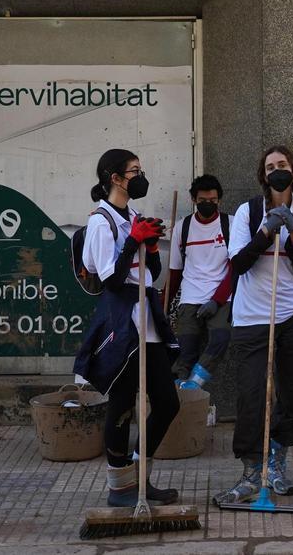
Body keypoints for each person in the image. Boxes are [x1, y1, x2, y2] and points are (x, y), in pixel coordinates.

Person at [212, 146, 293, 505]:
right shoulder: (247, 212)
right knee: (251, 394)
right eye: (271, 166)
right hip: (253, 316)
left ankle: (277, 462)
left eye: (283, 165)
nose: (278, 171)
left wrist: (291, 233)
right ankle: (249, 469)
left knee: (291, 394)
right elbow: (239, 264)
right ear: (263, 174)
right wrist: (264, 232)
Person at [73, 148, 180, 508]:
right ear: (115, 178)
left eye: (140, 169)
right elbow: (111, 280)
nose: (140, 176)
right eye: (134, 171)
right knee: (121, 403)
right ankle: (120, 487)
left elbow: (151, 274)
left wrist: (150, 246)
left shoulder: (132, 214)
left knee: (167, 403)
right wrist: (134, 240)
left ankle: (139, 473)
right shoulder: (101, 221)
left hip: (148, 320)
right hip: (122, 322)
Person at [167, 174, 234, 390]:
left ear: (219, 200)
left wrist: (216, 300)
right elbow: (175, 272)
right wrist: (163, 306)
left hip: (222, 298)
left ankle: (195, 384)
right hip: (190, 296)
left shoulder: (230, 224)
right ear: (193, 200)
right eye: (203, 200)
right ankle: (178, 392)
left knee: (220, 340)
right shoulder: (182, 228)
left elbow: (236, 270)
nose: (208, 204)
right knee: (185, 350)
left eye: (213, 200)